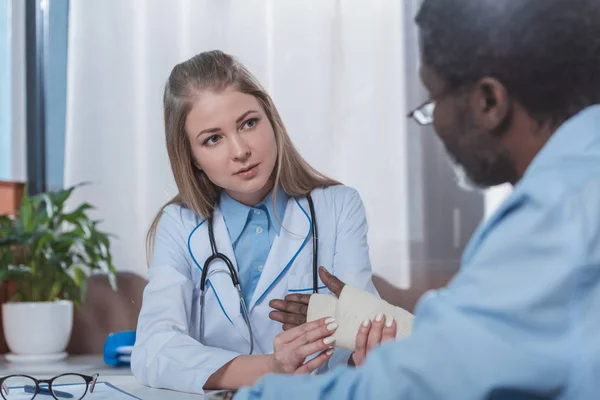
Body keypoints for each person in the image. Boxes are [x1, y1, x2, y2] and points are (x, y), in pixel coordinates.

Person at [232, 0, 600, 398]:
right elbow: (506, 339)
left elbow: (414, 388)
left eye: (433, 100)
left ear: (489, 102)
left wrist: (257, 395)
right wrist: (375, 320)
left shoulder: (554, 216)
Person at [130, 50, 380, 394]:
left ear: (271, 119)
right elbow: (153, 350)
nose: (240, 150)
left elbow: (369, 338)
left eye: (249, 123)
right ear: (193, 158)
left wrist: (360, 342)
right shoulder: (180, 224)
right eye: (212, 139)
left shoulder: (338, 208)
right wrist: (270, 368)